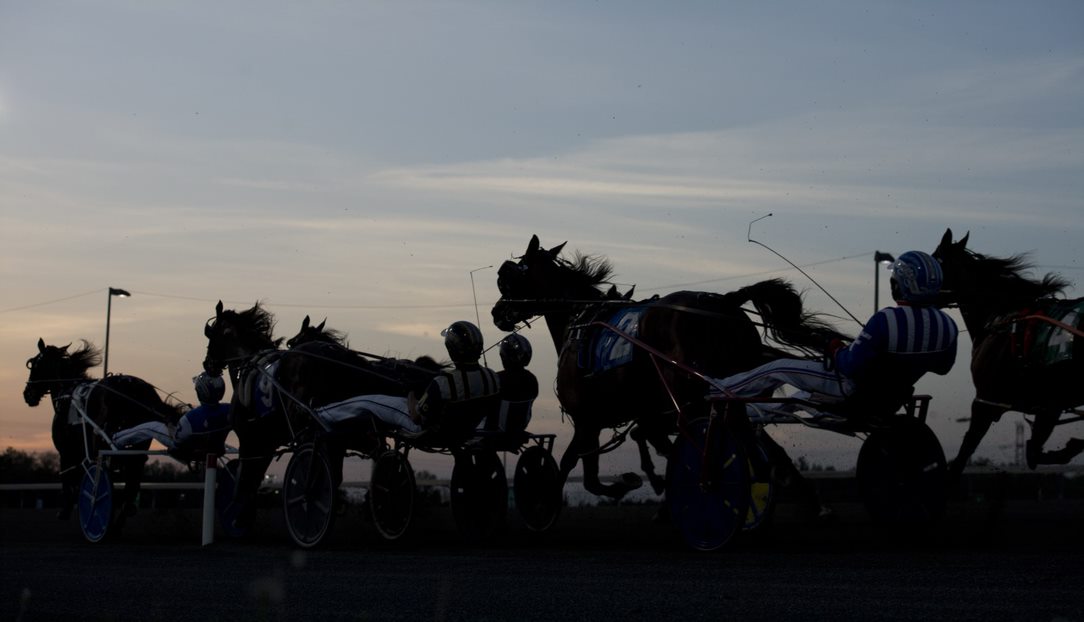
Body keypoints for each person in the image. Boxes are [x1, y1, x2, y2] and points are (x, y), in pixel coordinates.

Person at [710, 250, 959, 410]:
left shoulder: (886, 319)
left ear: (900, 285)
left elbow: (849, 365)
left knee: (779, 367)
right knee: (799, 398)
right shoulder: (948, 326)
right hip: (891, 399)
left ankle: (716, 391)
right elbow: (942, 367)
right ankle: (754, 415)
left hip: (852, 390)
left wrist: (834, 347)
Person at [411, 320, 501, 437]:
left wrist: (410, 395)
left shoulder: (442, 384)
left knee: (379, 403)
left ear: (451, 350)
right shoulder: (492, 378)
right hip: (470, 430)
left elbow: (416, 418)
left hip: (438, 435)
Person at [112, 371, 231, 456]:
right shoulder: (228, 409)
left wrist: (170, 425)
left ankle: (116, 439)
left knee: (151, 427)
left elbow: (178, 442)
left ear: (200, 392)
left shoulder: (190, 418)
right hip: (214, 448)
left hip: (186, 449)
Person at [478, 333, 538, 439]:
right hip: (518, 429)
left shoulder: (497, 379)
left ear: (504, 356)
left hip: (493, 431)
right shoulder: (532, 380)